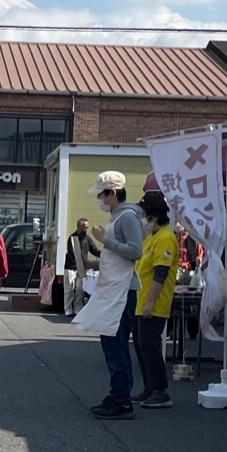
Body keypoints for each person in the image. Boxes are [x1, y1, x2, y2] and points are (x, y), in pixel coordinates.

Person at [87, 171, 144, 421]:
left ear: (112, 193)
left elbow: (135, 251)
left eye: (102, 193)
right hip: (115, 288)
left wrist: (105, 242)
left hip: (122, 291)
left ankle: (122, 400)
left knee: (116, 343)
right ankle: (118, 394)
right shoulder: (120, 215)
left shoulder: (127, 216)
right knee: (111, 342)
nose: (99, 198)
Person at [132, 196, 177, 410]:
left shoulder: (166, 237)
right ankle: (150, 387)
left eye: (144, 214)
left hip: (155, 302)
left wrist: (150, 301)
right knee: (142, 347)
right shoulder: (151, 237)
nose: (142, 218)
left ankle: (161, 390)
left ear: (154, 215)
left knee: (150, 346)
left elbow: (161, 271)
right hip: (142, 300)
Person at [63, 218, 100, 316]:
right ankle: (68, 309)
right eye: (84, 227)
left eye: (87, 227)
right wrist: (83, 260)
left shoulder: (87, 238)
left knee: (79, 290)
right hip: (71, 266)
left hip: (82, 267)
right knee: (69, 289)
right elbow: (73, 253)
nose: (85, 230)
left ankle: (77, 309)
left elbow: (94, 250)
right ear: (78, 227)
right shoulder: (72, 238)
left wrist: (104, 255)